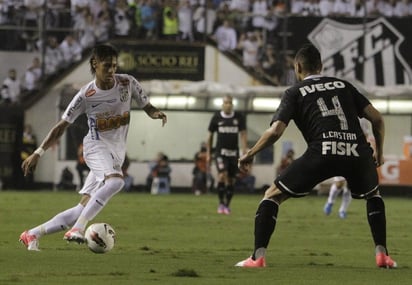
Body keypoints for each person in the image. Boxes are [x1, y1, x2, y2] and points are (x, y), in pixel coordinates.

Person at [236, 43, 397, 269]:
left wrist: (250, 153)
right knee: (373, 195)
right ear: (321, 66)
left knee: (272, 195)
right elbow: (378, 119)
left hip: (322, 152)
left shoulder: (294, 92)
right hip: (356, 152)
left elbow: (275, 131)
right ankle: (383, 255)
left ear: (297, 67)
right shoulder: (344, 85)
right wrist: (379, 153)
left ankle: (257, 258)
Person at [19, 44, 167, 251]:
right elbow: (61, 126)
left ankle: (32, 234)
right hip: (95, 147)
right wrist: (38, 152)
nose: (111, 71)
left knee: (82, 208)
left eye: (114, 66)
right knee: (116, 183)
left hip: (116, 153)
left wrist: (156, 113)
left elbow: (147, 106)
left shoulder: (127, 83)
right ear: (95, 64)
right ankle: (78, 230)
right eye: (107, 66)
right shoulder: (86, 95)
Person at [207, 95, 248, 215]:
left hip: (234, 154)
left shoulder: (239, 117)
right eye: (226, 103)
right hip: (220, 153)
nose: (228, 105)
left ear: (232, 104)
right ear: (222, 104)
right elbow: (210, 136)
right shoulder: (216, 117)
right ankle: (220, 203)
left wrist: (245, 152)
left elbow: (243, 135)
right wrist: (209, 153)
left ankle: (227, 205)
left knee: (231, 180)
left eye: (230, 103)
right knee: (221, 175)